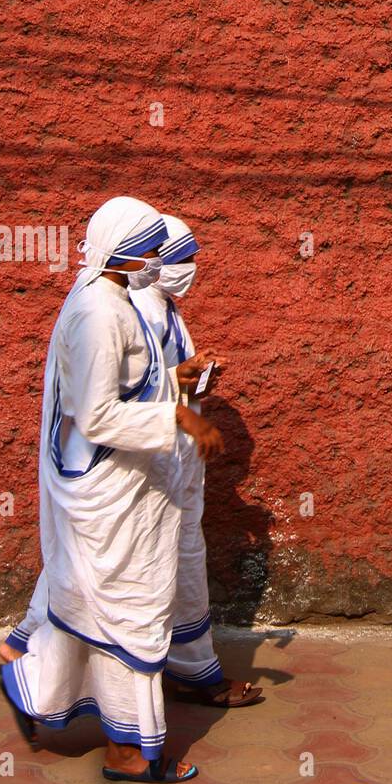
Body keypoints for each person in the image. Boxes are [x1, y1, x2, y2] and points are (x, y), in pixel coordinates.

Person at [0, 196, 223, 784]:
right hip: (110, 486)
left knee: (104, 610)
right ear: (120, 250)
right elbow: (95, 415)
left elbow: (124, 381)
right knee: (131, 613)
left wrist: (172, 380)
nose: (157, 261)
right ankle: (128, 753)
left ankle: (35, 689)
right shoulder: (101, 311)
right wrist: (179, 416)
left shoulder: (114, 300)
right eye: (148, 249)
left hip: (124, 482)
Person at [131, 215, 263, 708]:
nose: (191, 269)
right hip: (150, 468)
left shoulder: (166, 309)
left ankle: (188, 668)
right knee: (145, 566)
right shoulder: (136, 311)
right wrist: (181, 389)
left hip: (177, 468)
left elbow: (171, 383)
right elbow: (129, 393)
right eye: (184, 260)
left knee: (177, 561)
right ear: (158, 264)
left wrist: (197, 377)